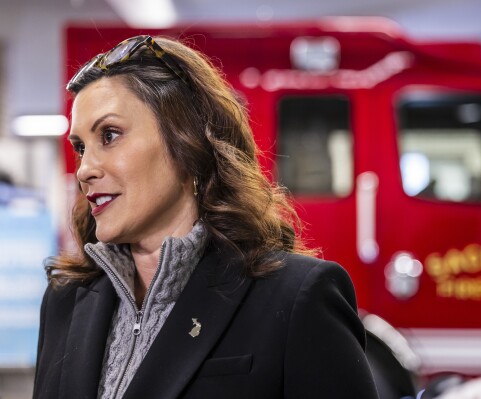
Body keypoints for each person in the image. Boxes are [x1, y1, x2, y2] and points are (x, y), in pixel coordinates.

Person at [33, 35, 379, 399]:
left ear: (187, 142)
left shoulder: (296, 299)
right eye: (80, 148)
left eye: (110, 134)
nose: (85, 168)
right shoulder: (65, 301)